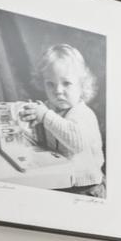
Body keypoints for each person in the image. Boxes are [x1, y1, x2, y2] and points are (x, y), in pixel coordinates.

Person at [21, 44, 105, 195]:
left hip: (86, 185)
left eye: (66, 83)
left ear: (82, 85)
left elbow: (76, 143)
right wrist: (31, 120)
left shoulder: (83, 113)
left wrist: (45, 116)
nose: (58, 91)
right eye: (50, 84)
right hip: (60, 180)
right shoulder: (49, 109)